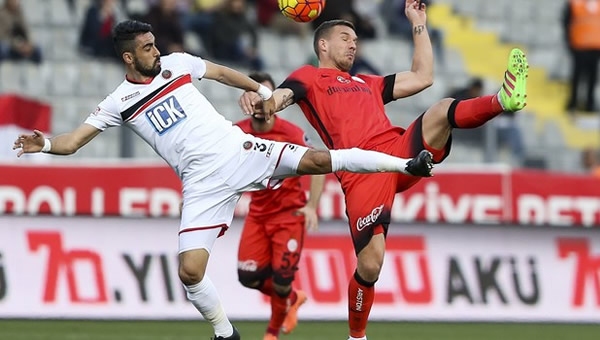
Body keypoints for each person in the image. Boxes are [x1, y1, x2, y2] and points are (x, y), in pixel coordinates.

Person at [13, 20, 434, 340]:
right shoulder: (117, 102)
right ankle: (225, 334)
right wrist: (46, 143)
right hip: (201, 186)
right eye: (146, 48)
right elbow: (73, 142)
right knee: (190, 271)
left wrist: (259, 90)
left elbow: (220, 73)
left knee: (319, 161)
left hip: (239, 151)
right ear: (128, 58)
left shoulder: (176, 64)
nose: (156, 51)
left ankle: (404, 165)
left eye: (154, 43)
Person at [238, 1, 529, 339]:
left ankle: (502, 100)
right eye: (346, 38)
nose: (353, 44)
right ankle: (356, 336)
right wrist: (264, 101)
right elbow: (283, 96)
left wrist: (418, 22)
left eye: (356, 41)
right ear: (323, 45)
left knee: (442, 109)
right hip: (361, 171)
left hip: (399, 153)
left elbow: (423, 77)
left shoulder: (367, 83)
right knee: (370, 265)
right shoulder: (310, 77)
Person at [234, 72, 324, 340]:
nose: (262, 102)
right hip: (258, 216)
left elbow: (319, 166)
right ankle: (294, 298)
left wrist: (311, 206)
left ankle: (272, 333)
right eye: (256, 95)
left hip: (288, 215)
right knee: (247, 276)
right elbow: (217, 168)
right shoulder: (236, 132)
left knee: (282, 281)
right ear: (246, 99)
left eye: (267, 95)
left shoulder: (290, 133)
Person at [562, 0, 600, 114]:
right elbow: (566, 23)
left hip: (595, 46)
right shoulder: (574, 3)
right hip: (579, 45)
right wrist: (569, 43)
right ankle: (573, 102)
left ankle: (589, 103)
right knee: (577, 76)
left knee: (592, 77)